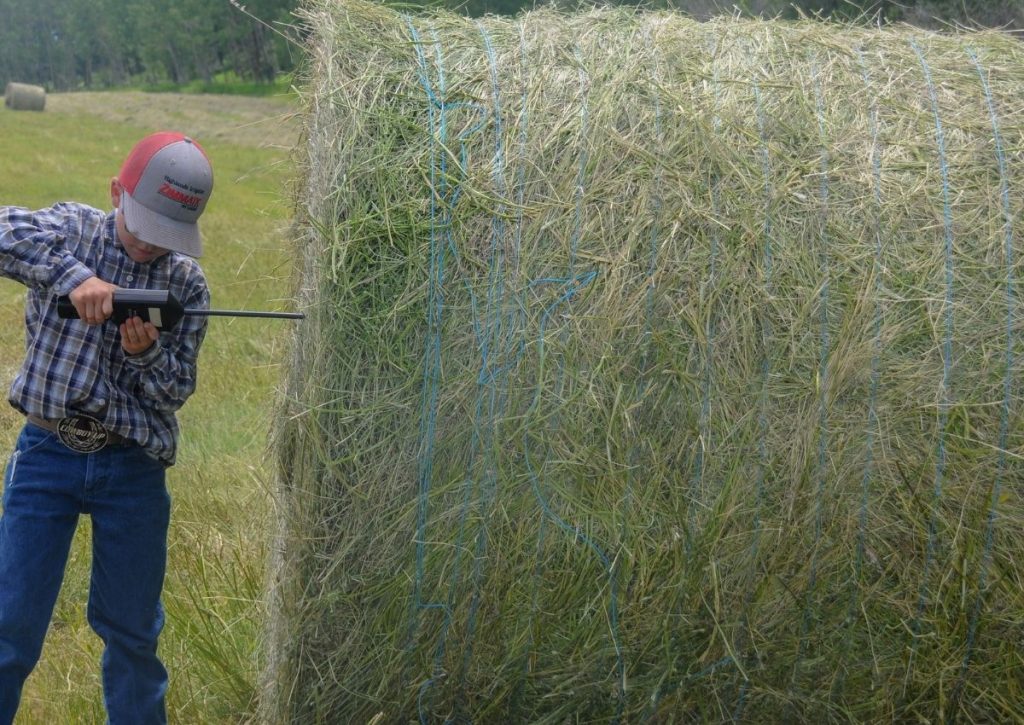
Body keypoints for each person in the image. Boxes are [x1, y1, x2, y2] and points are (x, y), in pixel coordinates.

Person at [0, 131, 214, 724]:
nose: (151, 247)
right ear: (116, 193)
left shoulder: (187, 284)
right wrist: (73, 277)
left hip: (133, 470)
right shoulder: (72, 229)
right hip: (47, 453)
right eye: (144, 226)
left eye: (167, 236)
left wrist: (145, 353)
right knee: (10, 624)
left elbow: (175, 393)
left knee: (132, 631)